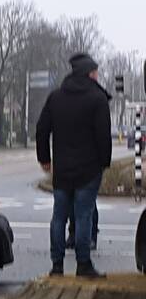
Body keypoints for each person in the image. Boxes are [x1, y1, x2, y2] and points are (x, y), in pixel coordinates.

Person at [36, 53, 112, 279]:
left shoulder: (56, 97)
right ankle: (83, 264)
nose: (98, 76)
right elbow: (103, 136)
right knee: (83, 216)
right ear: (89, 73)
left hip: (62, 169)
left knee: (59, 217)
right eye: (96, 72)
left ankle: (57, 265)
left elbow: (42, 129)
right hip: (88, 170)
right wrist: (104, 162)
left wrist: (45, 159)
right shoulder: (97, 99)